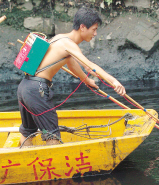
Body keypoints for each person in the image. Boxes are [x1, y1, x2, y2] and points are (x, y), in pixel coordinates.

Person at [17, 7, 126, 146]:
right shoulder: (69, 44)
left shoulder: (60, 38)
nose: (95, 33)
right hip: (37, 90)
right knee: (52, 136)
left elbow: (72, 64)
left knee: (27, 133)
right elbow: (89, 66)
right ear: (82, 27)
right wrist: (114, 81)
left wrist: (86, 80)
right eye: (94, 29)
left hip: (25, 87)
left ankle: (26, 163)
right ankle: (57, 166)